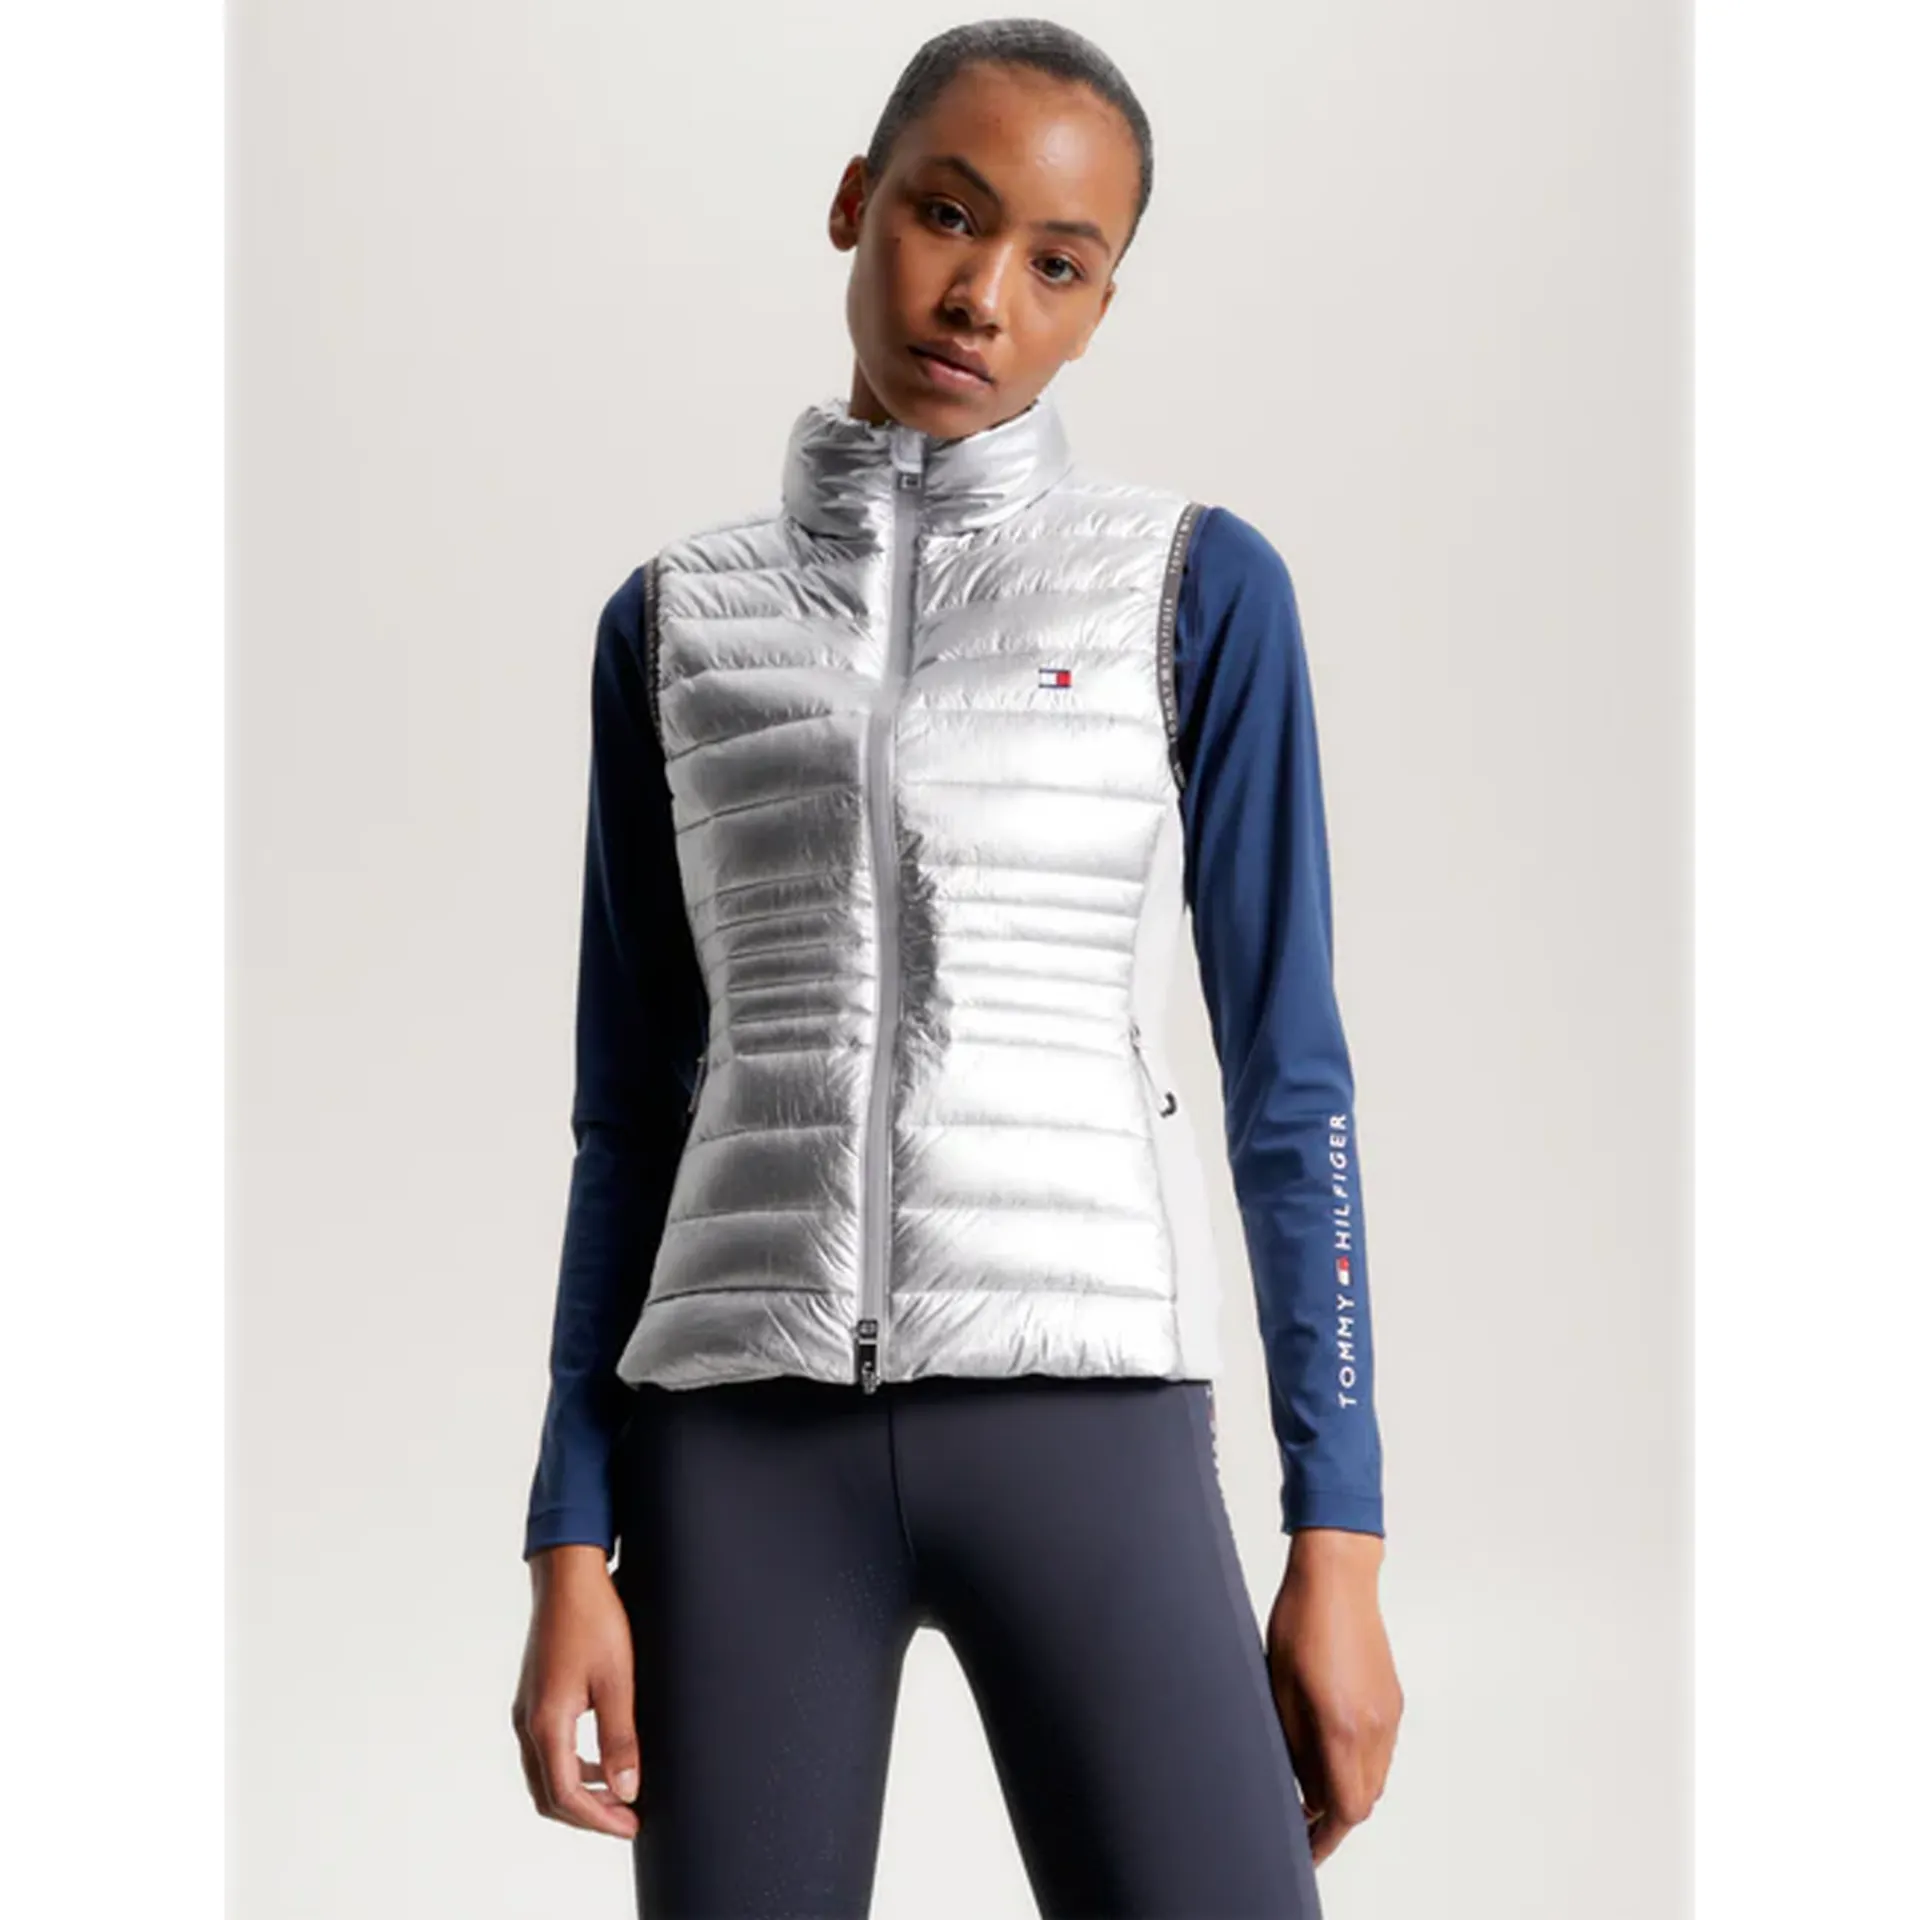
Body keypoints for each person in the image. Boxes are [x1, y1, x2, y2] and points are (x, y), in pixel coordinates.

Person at [511, 18, 1403, 1917]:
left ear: (1099, 307)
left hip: (1087, 1414)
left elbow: (1292, 1086)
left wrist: (1341, 1534)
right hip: (736, 1448)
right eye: (947, 213)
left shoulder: (1193, 589)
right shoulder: (671, 626)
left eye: (1057, 262)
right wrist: (567, 1533)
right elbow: (626, 1113)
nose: (984, 294)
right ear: (856, 202)